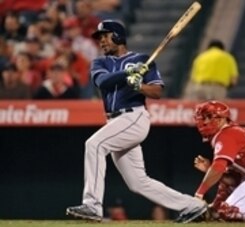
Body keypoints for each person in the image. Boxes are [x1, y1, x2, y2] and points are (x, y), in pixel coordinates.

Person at [65, 20, 207, 223]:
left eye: (105, 36)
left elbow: (157, 91)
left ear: (118, 36)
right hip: (115, 121)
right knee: (138, 182)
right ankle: (193, 206)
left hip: (134, 116)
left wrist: (139, 86)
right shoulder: (100, 62)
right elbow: (102, 82)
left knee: (94, 145)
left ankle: (92, 205)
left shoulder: (142, 59)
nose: (102, 41)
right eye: (100, 38)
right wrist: (128, 74)